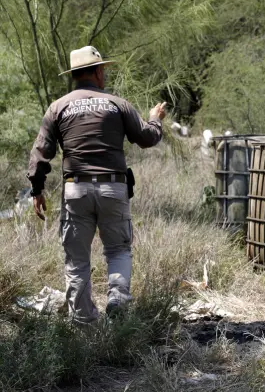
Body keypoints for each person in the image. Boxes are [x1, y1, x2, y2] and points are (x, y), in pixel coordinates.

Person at [27, 46, 166, 324]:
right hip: (113, 188)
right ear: (99, 72)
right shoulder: (117, 104)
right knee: (117, 249)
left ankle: (84, 323)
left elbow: (41, 152)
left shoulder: (58, 106)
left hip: (75, 189)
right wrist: (155, 119)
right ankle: (117, 300)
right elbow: (147, 138)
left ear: (74, 76)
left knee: (77, 259)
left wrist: (37, 189)